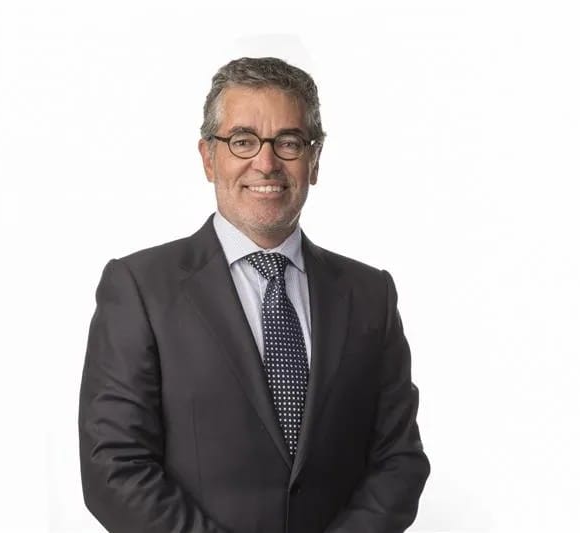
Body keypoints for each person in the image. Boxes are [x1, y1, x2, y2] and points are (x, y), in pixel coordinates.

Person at [78, 57, 430, 533]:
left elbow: (399, 460)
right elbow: (113, 466)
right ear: (209, 157)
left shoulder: (370, 295)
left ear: (314, 159)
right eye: (243, 140)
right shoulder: (140, 288)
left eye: (288, 142)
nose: (266, 163)